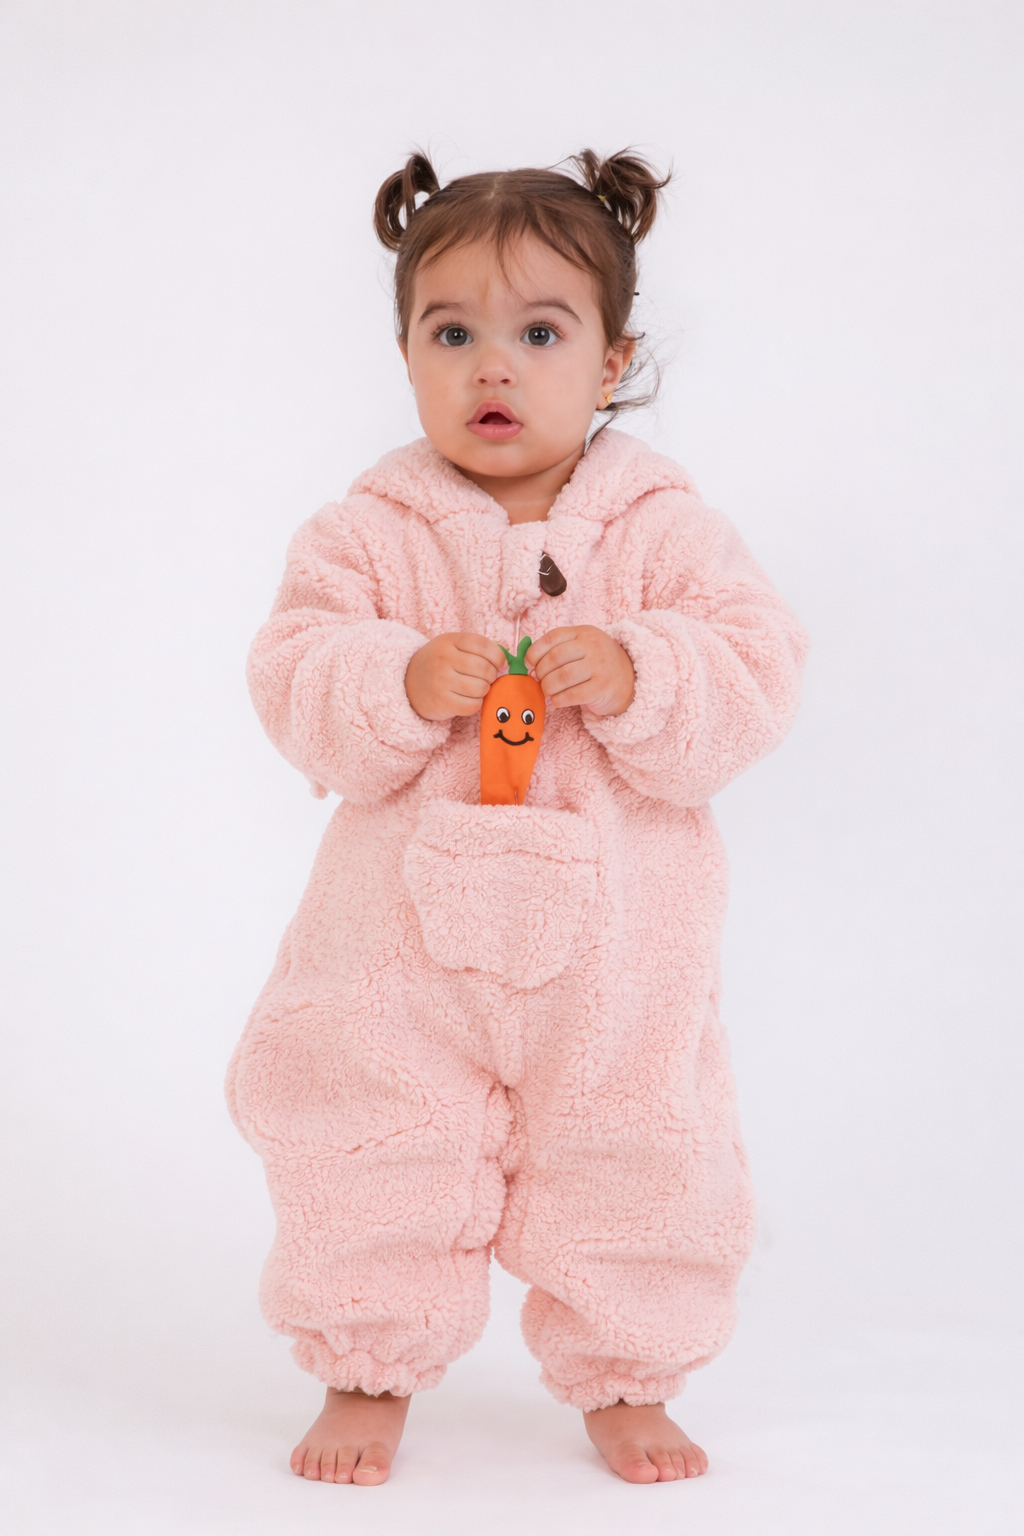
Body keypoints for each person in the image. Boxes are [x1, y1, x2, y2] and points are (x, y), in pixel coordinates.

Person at [225, 148, 809, 1487]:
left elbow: (759, 666)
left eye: (541, 334)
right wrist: (390, 676)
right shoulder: (366, 537)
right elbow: (289, 671)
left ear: (612, 363)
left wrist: (649, 666)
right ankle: (365, 1360)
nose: (494, 366)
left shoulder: (663, 532)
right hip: (399, 942)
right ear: (406, 357)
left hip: (618, 944)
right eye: (453, 335)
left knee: (635, 1136)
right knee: (366, 1125)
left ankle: (627, 1371)